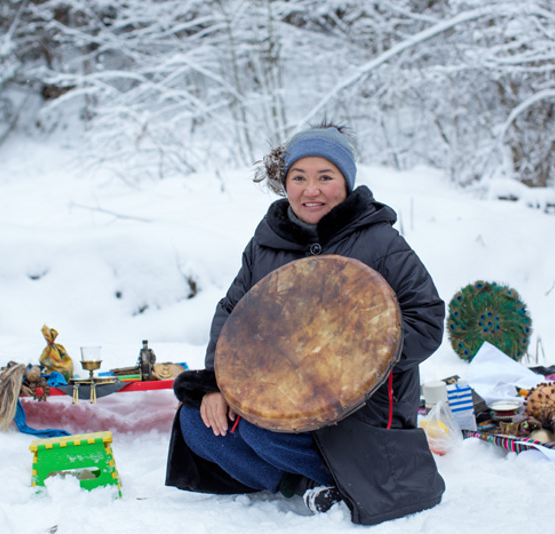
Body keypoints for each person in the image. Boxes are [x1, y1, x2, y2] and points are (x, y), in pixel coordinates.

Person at [165, 122, 446, 525]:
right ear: (286, 184)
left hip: (361, 406)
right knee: (196, 421)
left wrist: (362, 357)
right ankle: (301, 484)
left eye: (325, 177)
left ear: (346, 182)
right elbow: (231, 315)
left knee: (262, 431)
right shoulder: (266, 244)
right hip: (281, 391)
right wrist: (216, 384)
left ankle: (327, 472)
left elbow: (427, 318)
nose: (311, 190)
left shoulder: (380, 243)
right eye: (299, 177)